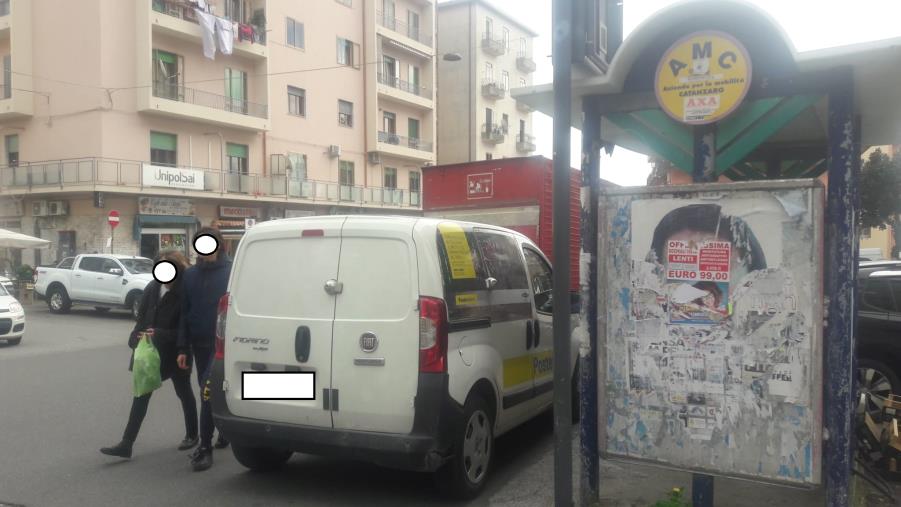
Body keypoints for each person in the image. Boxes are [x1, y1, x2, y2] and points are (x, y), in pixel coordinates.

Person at [100, 251, 198, 459]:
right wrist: (135, 337)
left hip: (176, 351)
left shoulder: (184, 292)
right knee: (141, 394)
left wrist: (166, 337)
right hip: (151, 351)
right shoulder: (153, 288)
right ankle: (127, 444)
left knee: (184, 392)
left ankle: (193, 434)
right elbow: (143, 317)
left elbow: (186, 327)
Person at [177, 226, 231, 472]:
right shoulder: (190, 276)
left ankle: (204, 447)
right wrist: (182, 347)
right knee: (207, 390)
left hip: (224, 343)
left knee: (207, 391)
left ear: (218, 245)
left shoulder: (232, 272)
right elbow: (184, 314)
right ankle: (224, 428)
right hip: (199, 342)